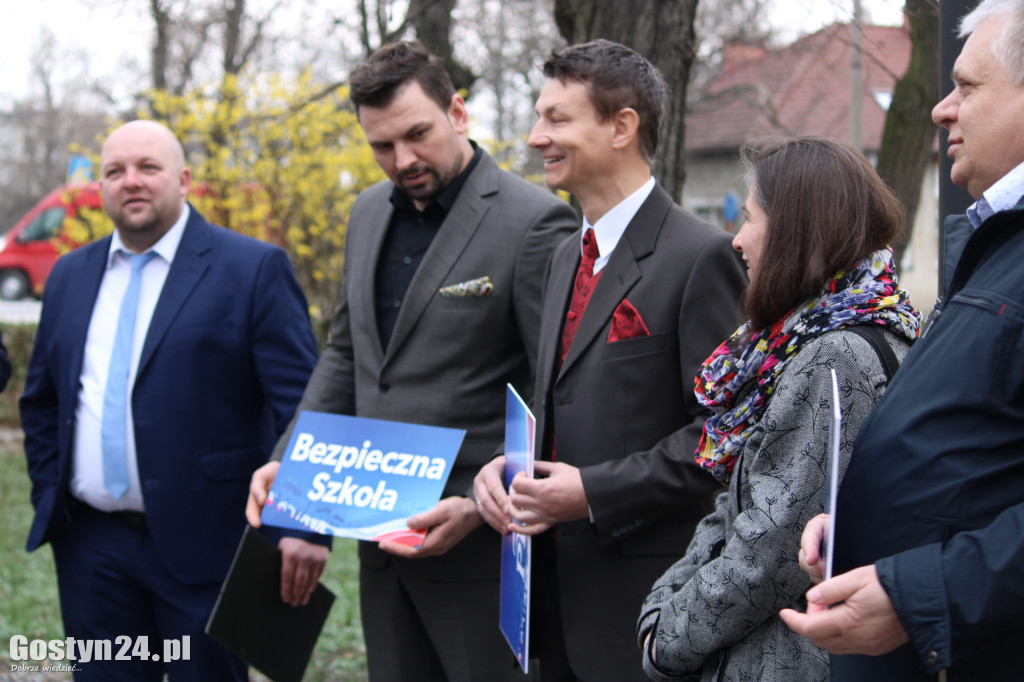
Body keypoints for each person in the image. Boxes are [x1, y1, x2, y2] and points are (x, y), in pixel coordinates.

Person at [245, 41, 577, 682]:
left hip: (480, 549)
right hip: (381, 549)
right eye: (381, 146)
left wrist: (484, 506)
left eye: (417, 135)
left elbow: (554, 390)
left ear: (457, 112)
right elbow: (347, 353)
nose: (403, 160)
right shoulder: (367, 212)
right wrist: (292, 459)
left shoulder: (535, 222)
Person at [474, 39, 747, 682]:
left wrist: (591, 494)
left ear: (623, 126)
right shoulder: (565, 256)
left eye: (558, 118)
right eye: (540, 117)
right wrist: (507, 464)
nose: (537, 135)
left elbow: (725, 436)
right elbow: (565, 407)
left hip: (645, 612)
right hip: (551, 612)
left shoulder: (700, 256)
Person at [19, 120, 320, 681]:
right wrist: (49, 491)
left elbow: (303, 409)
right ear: (100, 187)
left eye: (147, 168)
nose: (131, 181)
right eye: (115, 171)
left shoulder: (251, 269)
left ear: (183, 179)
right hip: (91, 550)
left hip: (209, 545)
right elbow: (42, 401)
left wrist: (303, 526)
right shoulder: (69, 275)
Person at [779, 1, 1024, 679]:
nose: (944, 110)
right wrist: (861, 533)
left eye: (968, 88)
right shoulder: (996, 244)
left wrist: (923, 591)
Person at [635, 137, 920, 682]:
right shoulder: (814, 336)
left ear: (796, 232)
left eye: (749, 219)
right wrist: (667, 595)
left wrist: (665, 638)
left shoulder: (835, 354)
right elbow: (743, 499)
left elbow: (772, 549)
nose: (737, 240)